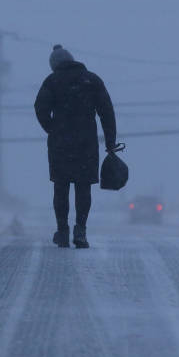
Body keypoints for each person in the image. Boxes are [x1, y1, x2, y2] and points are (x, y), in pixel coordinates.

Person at [34, 44, 117, 248]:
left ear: (54, 65)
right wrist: (110, 142)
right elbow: (107, 112)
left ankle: (62, 231)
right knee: (83, 187)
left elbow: (40, 108)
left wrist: (52, 128)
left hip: (60, 143)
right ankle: (81, 230)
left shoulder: (52, 81)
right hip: (86, 142)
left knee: (60, 187)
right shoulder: (91, 79)